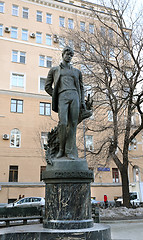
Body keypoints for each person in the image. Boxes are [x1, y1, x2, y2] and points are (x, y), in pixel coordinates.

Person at [45, 46, 86, 160]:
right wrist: (56, 97)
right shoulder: (54, 70)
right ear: (63, 54)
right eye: (68, 54)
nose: (69, 57)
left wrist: (82, 101)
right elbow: (47, 86)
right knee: (63, 123)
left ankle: (69, 151)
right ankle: (61, 150)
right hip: (62, 96)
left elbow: (82, 88)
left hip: (74, 96)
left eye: (71, 55)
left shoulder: (77, 72)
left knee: (72, 124)